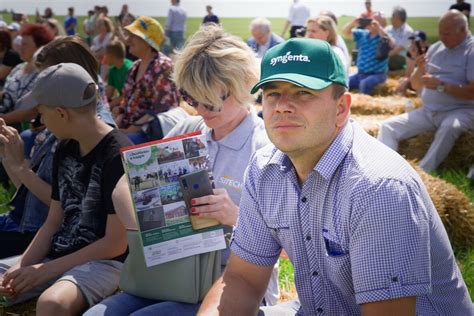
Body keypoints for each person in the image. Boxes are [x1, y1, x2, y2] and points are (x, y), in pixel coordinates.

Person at [198, 37, 473, 316]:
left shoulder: (378, 188)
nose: (282, 105)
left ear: (341, 108)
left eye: (302, 92)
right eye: (272, 93)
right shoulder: (264, 169)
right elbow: (242, 279)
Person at [85, 24, 279, 316]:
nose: (201, 109)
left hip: (234, 281)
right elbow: (124, 187)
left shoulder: (265, 149)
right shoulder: (189, 129)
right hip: (171, 273)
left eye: (211, 100)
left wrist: (235, 216)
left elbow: (289, 244)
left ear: (243, 86)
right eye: (191, 98)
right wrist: (152, 226)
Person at [0, 62, 133, 315]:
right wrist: (21, 267)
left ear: (62, 114)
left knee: (52, 304)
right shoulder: (64, 147)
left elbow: (115, 244)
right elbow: (53, 222)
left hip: (103, 263)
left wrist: (45, 270)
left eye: (42, 114)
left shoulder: (118, 154)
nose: (39, 121)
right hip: (57, 256)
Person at [378, 10, 474, 173]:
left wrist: (441, 85)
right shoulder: (436, 48)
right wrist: (419, 68)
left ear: (463, 30)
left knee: (451, 127)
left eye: (446, 34)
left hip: (460, 110)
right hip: (429, 111)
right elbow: (416, 85)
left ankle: (423, 172)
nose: (442, 38)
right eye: (440, 33)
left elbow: (472, 92)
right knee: (387, 127)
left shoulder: (471, 51)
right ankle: (385, 170)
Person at [114, 16, 180, 144]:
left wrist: (128, 131)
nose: (128, 40)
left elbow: (161, 108)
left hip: (149, 134)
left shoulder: (163, 66)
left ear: (148, 41)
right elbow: (126, 103)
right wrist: (116, 127)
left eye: (133, 36)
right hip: (128, 129)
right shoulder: (134, 67)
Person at [0, 24, 54, 128]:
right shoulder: (18, 68)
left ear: (40, 47)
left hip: (19, 127)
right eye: (21, 43)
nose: (20, 47)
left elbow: (32, 111)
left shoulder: (43, 74)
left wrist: (3, 119)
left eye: (25, 44)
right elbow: (6, 93)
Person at [343, 14, 393, 95]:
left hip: (378, 75)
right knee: (343, 82)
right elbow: (345, 32)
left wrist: (379, 29)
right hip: (360, 74)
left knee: (365, 83)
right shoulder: (362, 34)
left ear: (382, 24)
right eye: (371, 20)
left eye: (375, 21)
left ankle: (361, 101)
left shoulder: (384, 37)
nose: (372, 23)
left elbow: (392, 44)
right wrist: (353, 23)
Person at [396, 30, 429, 95]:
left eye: (417, 42)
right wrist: (413, 56)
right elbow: (408, 74)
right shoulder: (410, 53)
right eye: (412, 42)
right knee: (402, 82)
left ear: (425, 43)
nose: (414, 44)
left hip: (427, 80)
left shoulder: (430, 52)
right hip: (414, 78)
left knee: (421, 85)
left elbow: (426, 74)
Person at [105, 39, 133, 108]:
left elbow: (127, 95)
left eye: (106, 54)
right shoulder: (112, 70)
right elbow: (108, 93)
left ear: (111, 56)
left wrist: (108, 106)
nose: (104, 57)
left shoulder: (130, 68)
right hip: (122, 102)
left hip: (131, 102)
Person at [385, 6, 413, 71]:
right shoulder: (387, 29)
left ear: (397, 18)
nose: (390, 18)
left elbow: (397, 50)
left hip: (400, 60)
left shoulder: (408, 32)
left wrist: (382, 57)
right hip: (387, 57)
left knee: (395, 58)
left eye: (392, 16)